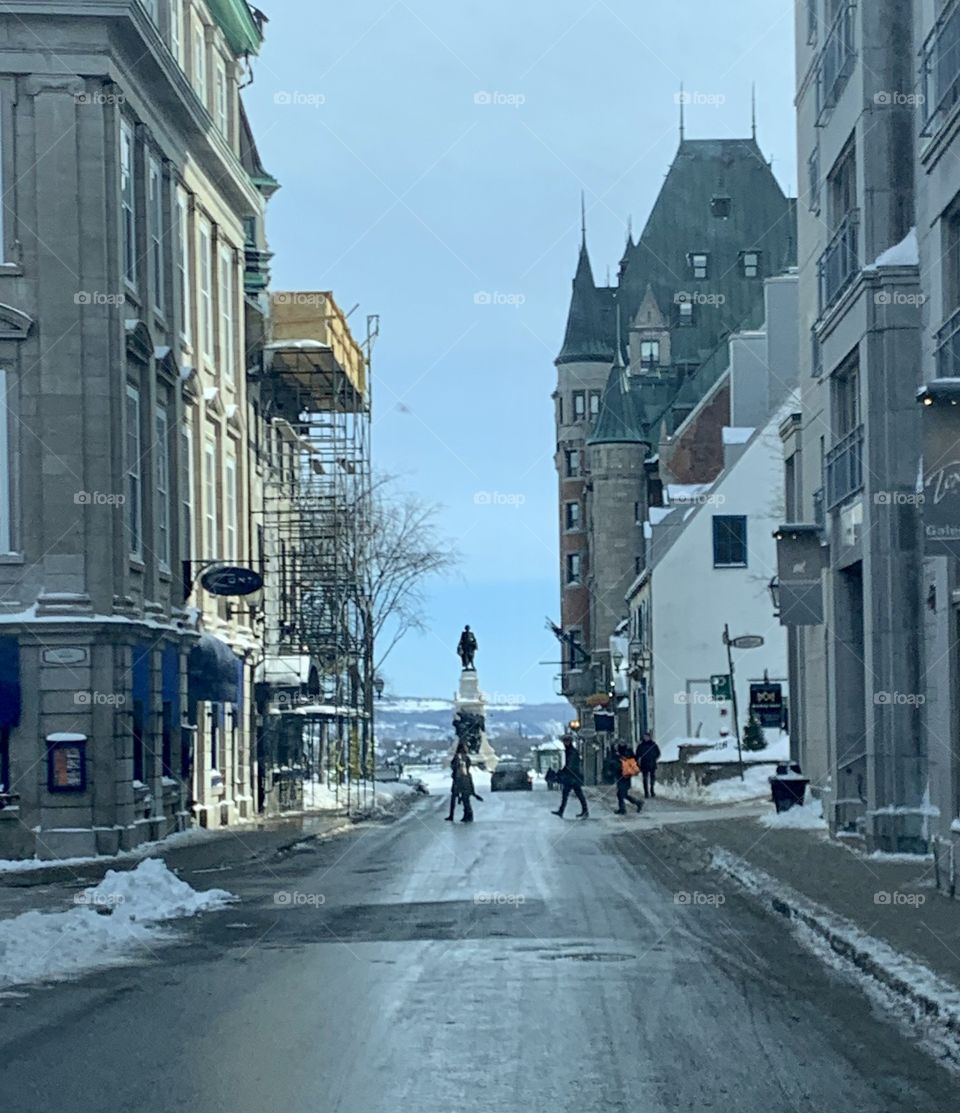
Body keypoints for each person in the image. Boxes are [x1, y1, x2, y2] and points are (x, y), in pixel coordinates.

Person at [552, 735, 588, 819]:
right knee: (572, 794)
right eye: (564, 742)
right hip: (572, 776)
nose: (564, 743)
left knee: (576, 794)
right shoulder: (569, 751)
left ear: (569, 742)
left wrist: (564, 772)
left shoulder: (572, 752)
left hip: (572, 777)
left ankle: (584, 811)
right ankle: (562, 811)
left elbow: (570, 765)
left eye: (566, 741)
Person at [446, 740, 481, 822]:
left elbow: (455, 768)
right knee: (465, 798)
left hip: (459, 779)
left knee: (457, 798)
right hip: (465, 779)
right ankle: (467, 815)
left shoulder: (458, 758)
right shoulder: (465, 758)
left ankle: (457, 815)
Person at [614, 743, 644, 815]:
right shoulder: (628, 755)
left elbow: (620, 766)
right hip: (625, 777)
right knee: (622, 794)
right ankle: (637, 803)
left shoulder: (623, 756)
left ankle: (623, 809)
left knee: (621, 794)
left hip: (624, 777)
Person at [636, 731, 661, 799]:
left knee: (652, 778)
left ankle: (652, 790)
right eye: (645, 737)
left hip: (652, 763)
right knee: (645, 778)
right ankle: (646, 792)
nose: (646, 738)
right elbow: (637, 754)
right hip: (644, 764)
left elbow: (658, 753)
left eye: (647, 737)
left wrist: (654, 758)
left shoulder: (653, 745)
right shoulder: (641, 746)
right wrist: (639, 761)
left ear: (649, 737)